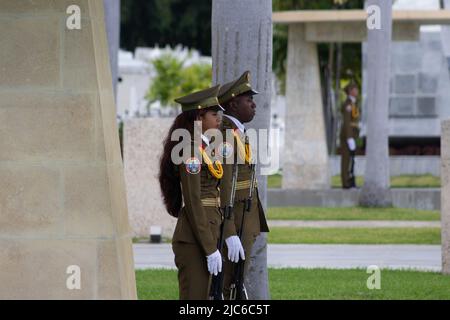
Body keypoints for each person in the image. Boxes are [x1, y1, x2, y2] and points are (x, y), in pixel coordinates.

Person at [158, 85, 225, 299]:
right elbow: (194, 200)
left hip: (207, 234)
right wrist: (209, 248)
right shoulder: (190, 150)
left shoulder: (204, 148)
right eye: (214, 114)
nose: (219, 119)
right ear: (199, 117)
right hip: (194, 240)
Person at [217, 71, 270, 300]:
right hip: (234, 216)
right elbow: (224, 183)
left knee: (237, 278)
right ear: (234, 103)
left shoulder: (238, 132)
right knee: (228, 280)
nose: (254, 105)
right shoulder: (226, 134)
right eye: (249, 100)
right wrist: (229, 229)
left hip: (244, 215)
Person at [340, 82, 360, 189]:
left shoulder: (354, 103)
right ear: (350, 91)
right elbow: (347, 122)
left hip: (353, 134)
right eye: (355, 89)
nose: (357, 91)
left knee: (352, 160)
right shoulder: (348, 104)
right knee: (346, 159)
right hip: (348, 135)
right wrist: (349, 138)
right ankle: (346, 182)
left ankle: (351, 180)